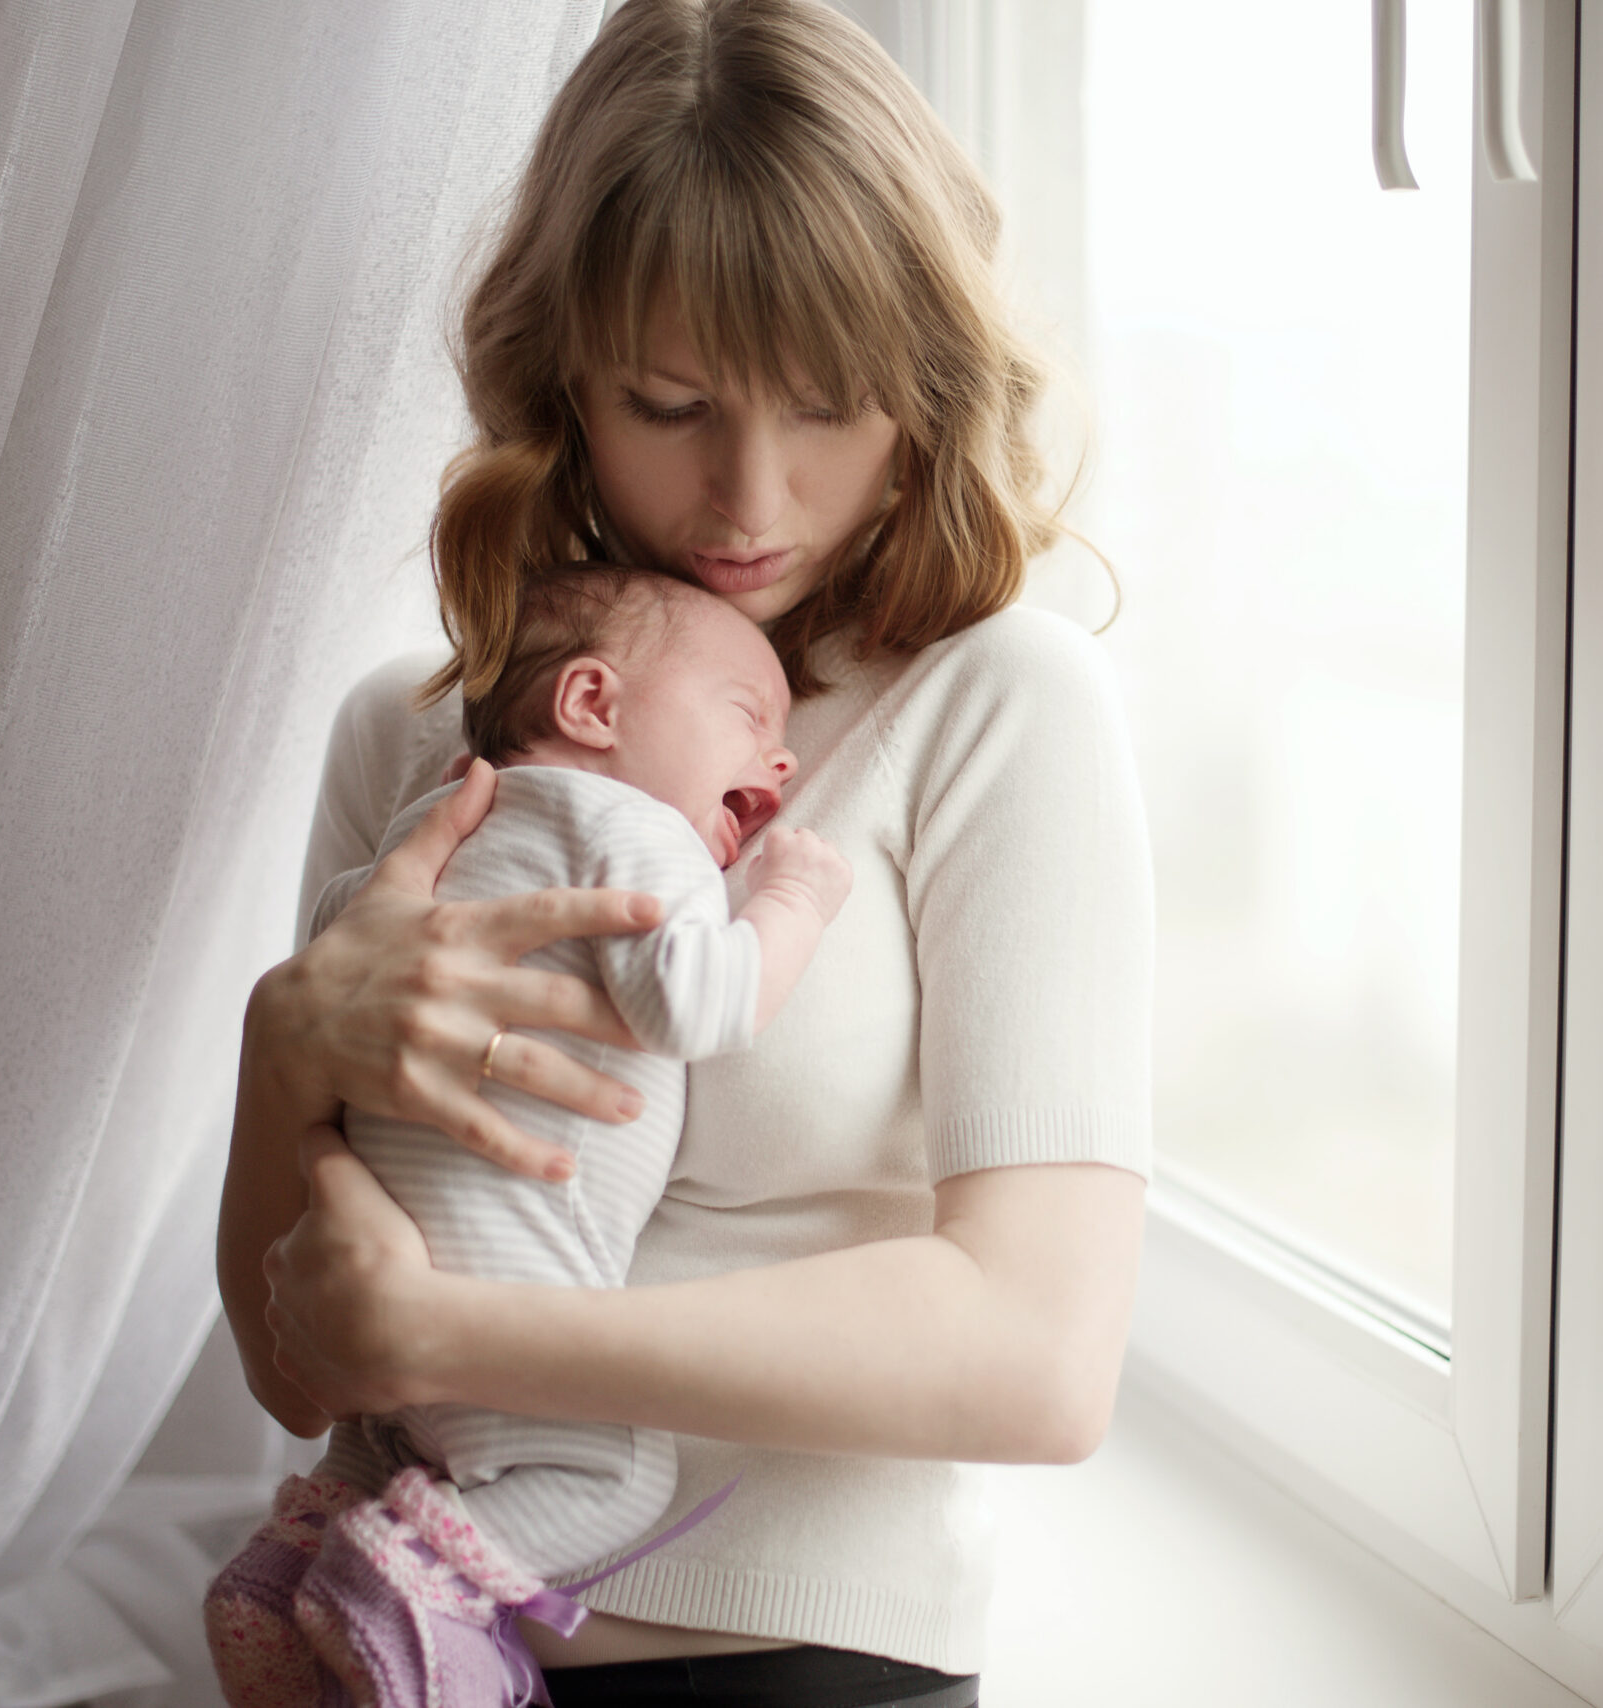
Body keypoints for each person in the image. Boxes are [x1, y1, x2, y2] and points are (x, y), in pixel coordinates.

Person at [215, 1, 1153, 1702]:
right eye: (670, 403)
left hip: (799, 1659)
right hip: (378, 1649)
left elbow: (1041, 1359)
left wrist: (464, 1337)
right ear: (562, 375)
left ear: (925, 389)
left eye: (829, 408)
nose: (750, 496)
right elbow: (298, 1366)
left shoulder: (1003, 705)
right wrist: (283, 1043)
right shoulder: (412, 740)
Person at [206, 568, 852, 1707]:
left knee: (388, 1445)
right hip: (510, 1254)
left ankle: (293, 1556)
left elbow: (329, 961)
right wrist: (788, 901)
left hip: (373, 1253)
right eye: (751, 718)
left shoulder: (431, 824)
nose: (781, 761)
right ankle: (398, 1587)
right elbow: (696, 1004)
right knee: (610, 1465)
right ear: (593, 705)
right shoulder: (640, 831)